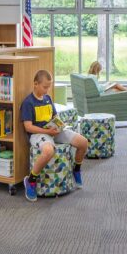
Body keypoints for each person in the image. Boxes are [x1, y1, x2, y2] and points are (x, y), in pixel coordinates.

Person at [21, 69, 88, 202]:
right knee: (48, 151)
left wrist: (59, 125)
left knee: (83, 142)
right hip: (38, 134)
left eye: (49, 86)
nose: (47, 90)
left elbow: (55, 116)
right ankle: (31, 180)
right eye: (45, 87)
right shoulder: (28, 102)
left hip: (53, 130)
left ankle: (76, 169)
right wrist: (48, 132)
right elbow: (28, 127)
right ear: (35, 84)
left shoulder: (48, 99)